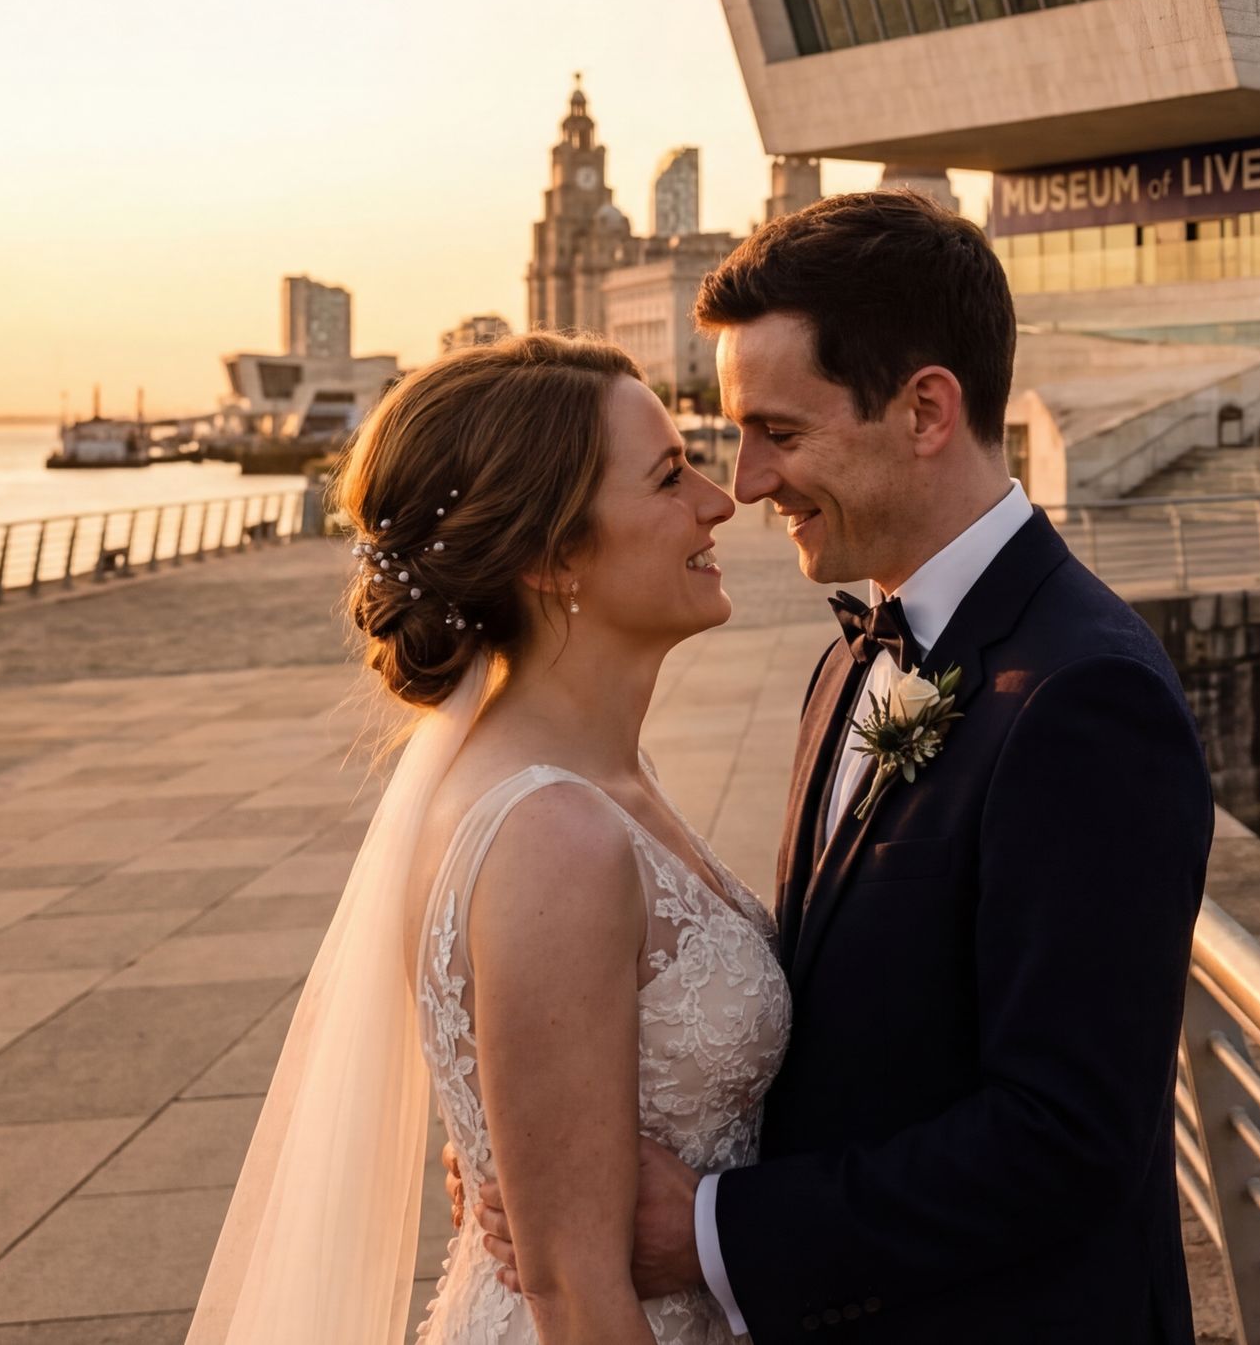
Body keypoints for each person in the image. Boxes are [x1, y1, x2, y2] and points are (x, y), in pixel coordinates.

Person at [465, 190, 1217, 1341]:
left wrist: (717, 1231)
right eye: (730, 436)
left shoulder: (1085, 696)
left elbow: (1067, 1138)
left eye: (780, 431)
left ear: (924, 411)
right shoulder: (851, 656)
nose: (747, 483)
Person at [191, 331, 778, 1345]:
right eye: (670, 475)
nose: (720, 502)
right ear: (555, 557)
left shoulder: (598, 780)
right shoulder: (551, 831)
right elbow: (575, 1293)